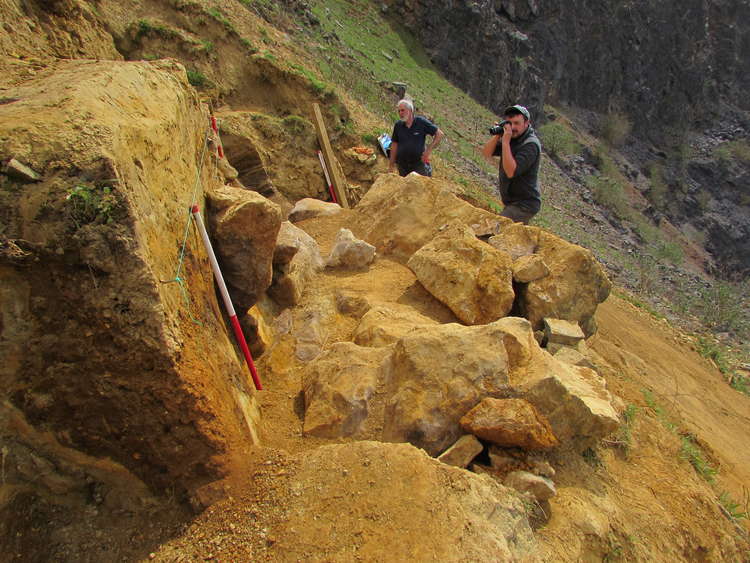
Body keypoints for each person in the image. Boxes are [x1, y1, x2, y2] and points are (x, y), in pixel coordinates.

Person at [481, 104, 542, 224]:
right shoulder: (512, 137)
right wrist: (498, 135)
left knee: (495, 228)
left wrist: (505, 142)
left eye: (517, 123)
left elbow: (511, 172)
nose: (513, 127)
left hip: (525, 204)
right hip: (513, 201)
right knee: (513, 236)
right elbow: (486, 153)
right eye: (509, 123)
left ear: (526, 123)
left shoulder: (531, 145)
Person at [388, 99, 445, 177]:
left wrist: (428, 150)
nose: (400, 113)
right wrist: (391, 165)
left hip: (419, 166)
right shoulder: (398, 125)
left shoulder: (421, 122)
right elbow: (394, 145)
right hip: (403, 166)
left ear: (410, 110)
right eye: (399, 111)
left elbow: (439, 134)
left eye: (403, 110)